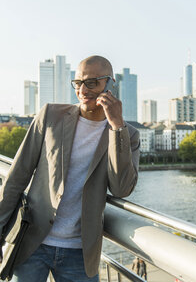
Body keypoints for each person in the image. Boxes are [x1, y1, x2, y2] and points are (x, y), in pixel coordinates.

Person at [0, 55, 140, 282]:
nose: (83, 89)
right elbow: (17, 177)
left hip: (80, 253)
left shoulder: (128, 135)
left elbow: (121, 188)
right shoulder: (50, 116)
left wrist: (117, 127)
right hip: (31, 242)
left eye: (92, 82)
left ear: (111, 84)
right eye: (78, 83)